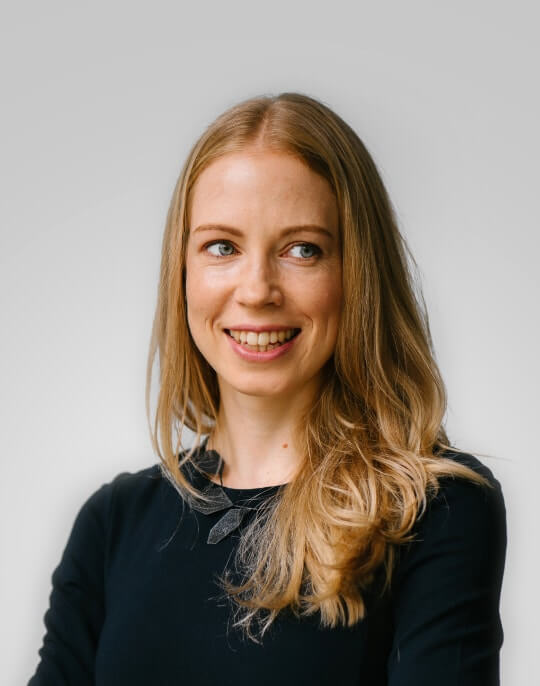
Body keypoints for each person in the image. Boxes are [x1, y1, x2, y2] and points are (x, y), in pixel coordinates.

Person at [28, 92, 506, 685]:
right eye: (222, 247)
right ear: (183, 271)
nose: (257, 290)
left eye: (303, 249)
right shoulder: (111, 524)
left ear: (357, 273)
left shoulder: (431, 509)